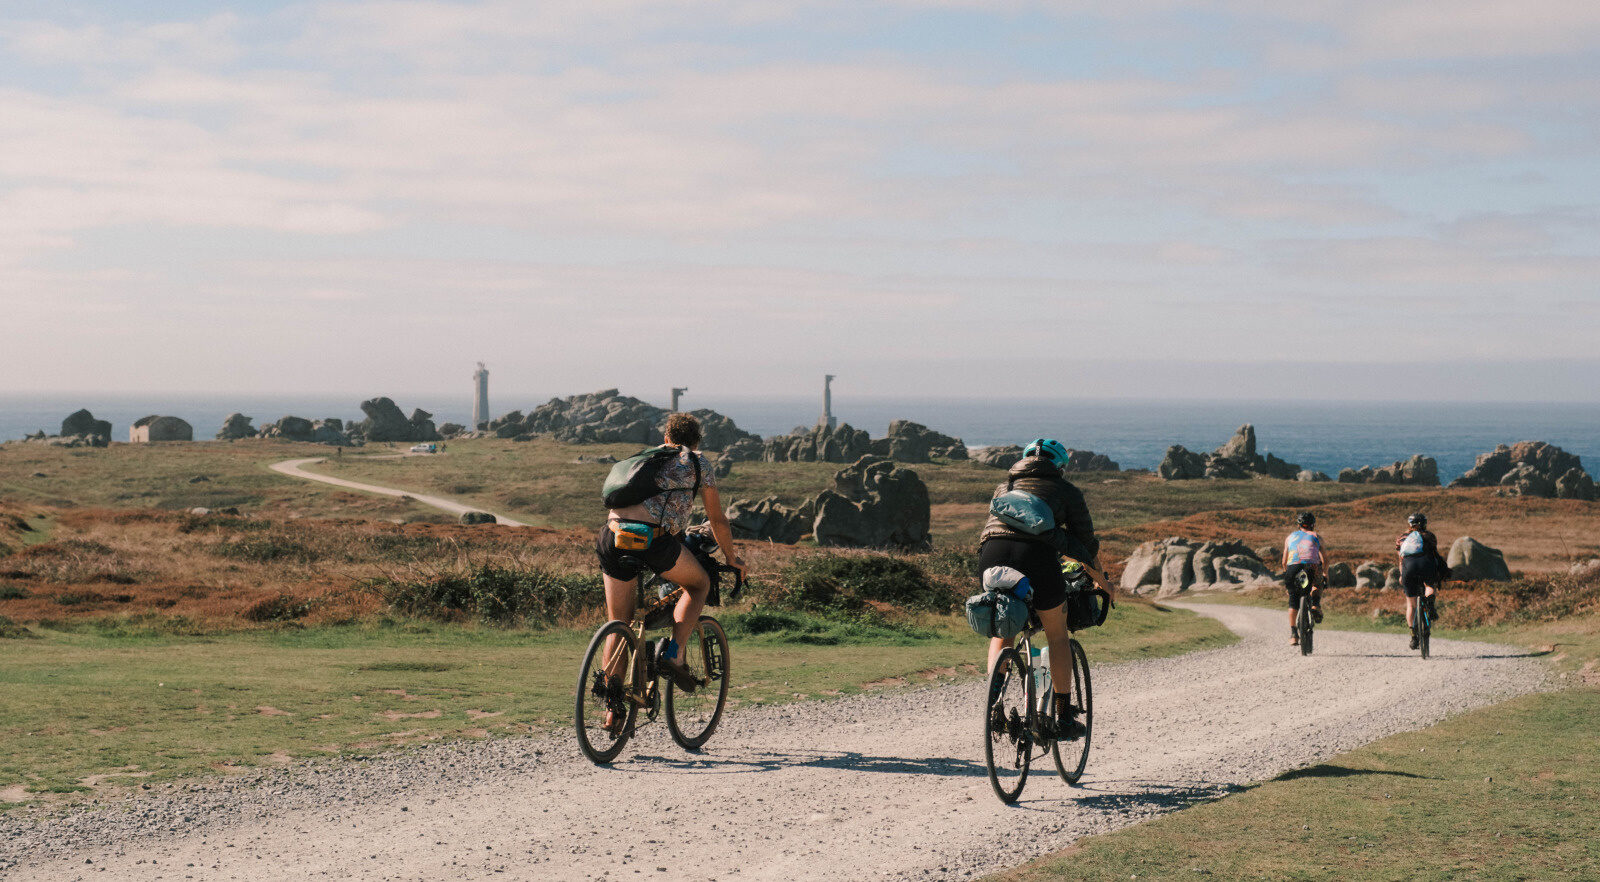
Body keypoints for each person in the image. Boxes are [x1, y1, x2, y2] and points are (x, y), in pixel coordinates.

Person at [596, 413, 745, 697]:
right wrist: (731, 558)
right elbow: (717, 519)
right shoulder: (698, 462)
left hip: (612, 536)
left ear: (666, 438)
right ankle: (674, 655)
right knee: (699, 585)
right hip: (652, 541)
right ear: (696, 442)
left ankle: (611, 709)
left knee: (619, 625)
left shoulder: (645, 458)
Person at [977, 438, 1100, 739]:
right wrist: (1102, 579)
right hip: (1037, 559)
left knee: (1003, 628)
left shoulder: (1004, 487)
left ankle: (993, 704)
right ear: (1059, 467)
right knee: (1057, 635)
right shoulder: (1066, 490)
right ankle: (1064, 718)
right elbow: (1086, 542)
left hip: (992, 556)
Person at [1281, 511, 1328, 645]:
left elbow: (1284, 562)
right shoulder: (1316, 536)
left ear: (1299, 525)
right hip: (1311, 567)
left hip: (1293, 568)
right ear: (1313, 525)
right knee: (1317, 583)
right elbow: (1325, 560)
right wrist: (1325, 574)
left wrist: (1288, 576)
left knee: (1293, 601)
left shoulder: (1290, 537)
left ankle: (1293, 634)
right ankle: (1315, 604)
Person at [1396, 512, 1441, 650]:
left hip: (1408, 567)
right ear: (1425, 523)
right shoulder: (1430, 536)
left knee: (1411, 605)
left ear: (1410, 524)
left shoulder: (1402, 538)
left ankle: (1414, 636)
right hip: (1426, 565)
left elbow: (1401, 558)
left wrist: (1401, 575)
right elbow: (1434, 554)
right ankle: (1430, 604)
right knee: (1429, 585)